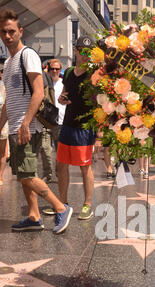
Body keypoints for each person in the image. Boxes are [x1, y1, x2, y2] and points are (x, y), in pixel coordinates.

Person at [0, 8, 72, 233]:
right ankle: (33, 216)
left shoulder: (27, 55)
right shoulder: (10, 62)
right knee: (23, 174)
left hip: (27, 126)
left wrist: (25, 123)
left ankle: (60, 207)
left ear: (20, 31)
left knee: (28, 175)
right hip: (16, 126)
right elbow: (9, 101)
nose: (8, 35)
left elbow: (39, 92)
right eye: (3, 31)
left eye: (12, 31)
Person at [43, 36, 96, 221]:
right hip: (67, 124)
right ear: (76, 51)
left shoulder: (95, 74)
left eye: (89, 52)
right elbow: (63, 95)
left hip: (85, 127)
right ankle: (62, 203)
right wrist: (61, 99)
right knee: (61, 164)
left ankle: (87, 204)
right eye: (82, 51)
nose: (85, 55)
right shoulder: (71, 72)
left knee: (85, 167)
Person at [39, 58, 65, 183]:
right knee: (45, 149)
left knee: (60, 152)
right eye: (52, 69)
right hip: (45, 122)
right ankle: (47, 173)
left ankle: (60, 172)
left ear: (60, 70)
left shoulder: (64, 83)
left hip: (61, 123)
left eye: (57, 69)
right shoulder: (43, 83)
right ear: (48, 69)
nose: (54, 71)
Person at [0, 62, 8, 185]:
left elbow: (7, 105)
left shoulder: (4, 87)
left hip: (2, 122)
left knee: (2, 151)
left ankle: (0, 176)